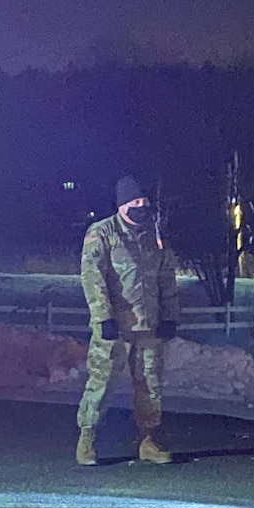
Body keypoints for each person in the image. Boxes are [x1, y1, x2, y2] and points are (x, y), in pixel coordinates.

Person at [77, 175, 181, 466]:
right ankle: (87, 439)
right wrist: (103, 317)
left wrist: (170, 316)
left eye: (144, 202)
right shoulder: (103, 233)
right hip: (115, 328)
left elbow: (166, 279)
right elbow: (92, 277)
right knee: (102, 382)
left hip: (149, 327)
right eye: (135, 202)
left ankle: (147, 440)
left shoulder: (153, 236)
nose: (141, 206)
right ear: (122, 204)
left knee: (150, 384)